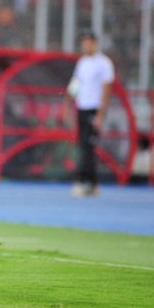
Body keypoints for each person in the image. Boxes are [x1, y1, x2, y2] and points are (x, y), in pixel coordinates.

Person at [67, 31, 115, 197]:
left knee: (88, 146)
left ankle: (81, 181)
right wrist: (68, 104)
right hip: (82, 108)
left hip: (94, 109)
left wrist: (101, 114)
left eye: (88, 42)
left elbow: (106, 91)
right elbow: (75, 85)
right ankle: (93, 184)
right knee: (84, 145)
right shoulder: (82, 62)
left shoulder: (104, 63)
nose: (86, 46)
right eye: (83, 42)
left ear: (95, 43)